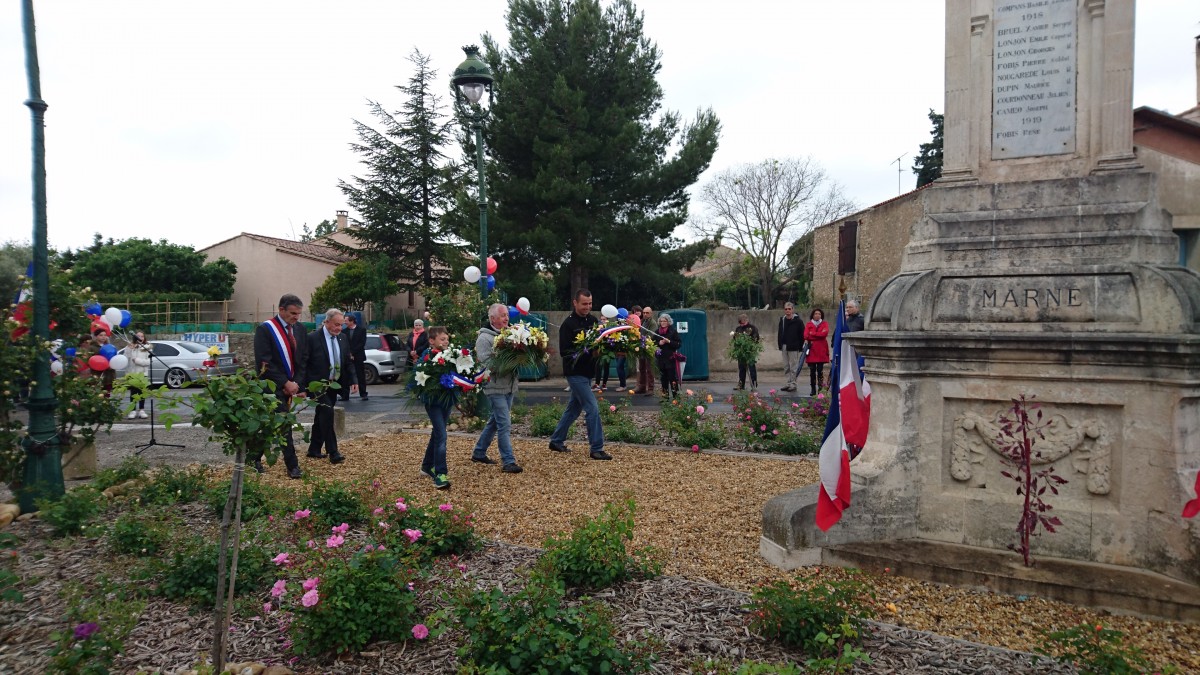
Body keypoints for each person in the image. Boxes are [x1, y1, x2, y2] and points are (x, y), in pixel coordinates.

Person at [549, 289, 612, 460]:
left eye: (590, 303)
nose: (588, 307)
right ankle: (596, 448)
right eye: (584, 304)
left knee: (573, 409)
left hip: (588, 372)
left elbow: (600, 341)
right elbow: (565, 352)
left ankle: (556, 440)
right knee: (592, 408)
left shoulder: (593, 321)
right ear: (575, 303)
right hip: (575, 373)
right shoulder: (567, 325)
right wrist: (588, 351)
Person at [252, 293, 307, 479]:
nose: (296, 317)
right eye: (292, 313)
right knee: (284, 424)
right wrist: (285, 382)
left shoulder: (300, 329)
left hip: (291, 385)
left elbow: (302, 359)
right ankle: (292, 466)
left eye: (299, 314)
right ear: (281, 310)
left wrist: (297, 384)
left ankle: (253, 458)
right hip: (271, 386)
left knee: (270, 425)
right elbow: (264, 362)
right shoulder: (265, 330)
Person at [470, 303, 523, 474]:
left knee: (495, 421)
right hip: (494, 387)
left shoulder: (511, 334)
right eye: (502, 315)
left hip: (509, 385)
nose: (506, 318)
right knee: (504, 424)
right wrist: (509, 360)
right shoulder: (484, 339)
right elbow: (487, 364)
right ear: (492, 319)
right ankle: (508, 461)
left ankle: (479, 452)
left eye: (507, 315)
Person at [302, 308, 356, 464]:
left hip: (334, 384)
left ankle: (314, 449)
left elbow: (347, 362)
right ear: (326, 322)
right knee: (327, 413)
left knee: (321, 415)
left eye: (341, 325)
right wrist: (302, 386)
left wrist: (354, 380)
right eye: (336, 324)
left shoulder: (343, 338)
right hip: (317, 384)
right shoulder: (312, 338)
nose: (339, 328)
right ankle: (333, 451)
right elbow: (303, 363)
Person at [418, 326, 454, 489]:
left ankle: (427, 466)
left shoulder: (451, 355)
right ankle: (440, 473)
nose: (446, 342)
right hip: (433, 402)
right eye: (442, 339)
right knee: (441, 435)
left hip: (446, 400)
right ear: (432, 341)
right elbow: (420, 376)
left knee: (438, 433)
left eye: (447, 339)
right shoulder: (426, 356)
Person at [122, 331, 152, 418]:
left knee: (142, 392)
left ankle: (142, 410)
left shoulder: (147, 347)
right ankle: (133, 410)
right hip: (132, 373)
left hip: (142, 374)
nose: (140, 338)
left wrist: (137, 361)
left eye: (142, 336)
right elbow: (125, 358)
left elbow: (148, 362)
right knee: (133, 392)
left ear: (144, 338)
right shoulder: (130, 347)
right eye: (138, 336)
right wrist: (129, 349)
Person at [802, 308, 831, 396]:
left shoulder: (824, 324)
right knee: (812, 371)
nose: (817, 315)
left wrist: (812, 333)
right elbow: (806, 335)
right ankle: (813, 389)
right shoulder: (809, 324)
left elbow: (824, 334)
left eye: (819, 314)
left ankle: (820, 389)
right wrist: (817, 335)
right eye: (816, 314)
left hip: (821, 350)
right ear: (813, 315)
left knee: (820, 370)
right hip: (812, 350)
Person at [777, 302, 804, 392]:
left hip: (794, 346)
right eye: (786, 309)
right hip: (784, 346)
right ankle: (788, 382)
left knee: (793, 366)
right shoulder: (782, 320)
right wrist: (780, 344)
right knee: (786, 366)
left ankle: (793, 384)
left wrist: (800, 346)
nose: (787, 311)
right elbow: (780, 333)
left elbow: (802, 335)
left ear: (792, 310)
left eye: (789, 309)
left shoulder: (798, 321)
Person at [654, 312, 683, 397]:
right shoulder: (657, 332)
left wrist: (669, 342)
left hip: (670, 358)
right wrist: (659, 343)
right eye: (661, 321)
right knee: (663, 379)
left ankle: (676, 397)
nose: (662, 323)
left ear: (668, 322)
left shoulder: (673, 331)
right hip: (661, 359)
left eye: (664, 321)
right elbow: (652, 343)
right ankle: (665, 397)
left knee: (672, 378)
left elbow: (678, 344)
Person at [732, 313, 760, 392]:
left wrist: (750, 345)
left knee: (752, 368)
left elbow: (756, 338)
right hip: (741, 351)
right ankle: (741, 385)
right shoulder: (738, 328)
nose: (741, 325)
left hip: (750, 351)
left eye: (742, 323)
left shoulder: (752, 328)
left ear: (746, 320)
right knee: (741, 368)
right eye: (740, 323)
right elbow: (735, 339)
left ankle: (754, 384)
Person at [346, 313, 368, 401]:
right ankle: (345, 395)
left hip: (358, 356)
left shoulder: (361, 330)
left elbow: (362, 343)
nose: (345, 322)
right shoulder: (344, 331)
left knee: (360, 375)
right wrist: (349, 354)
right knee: (346, 376)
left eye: (346, 321)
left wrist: (353, 353)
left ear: (352, 321)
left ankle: (363, 394)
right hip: (348, 356)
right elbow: (344, 344)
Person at [636, 305, 655, 395]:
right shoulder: (642, 321)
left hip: (649, 348)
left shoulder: (653, 323)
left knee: (649, 369)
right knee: (641, 368)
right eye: (644, 313)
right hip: (641, 347)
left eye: (647, 313)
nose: (645, 314)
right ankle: (642, 386)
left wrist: (641, 338)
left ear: (651, 313)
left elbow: (651, 335)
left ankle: (651, 388)